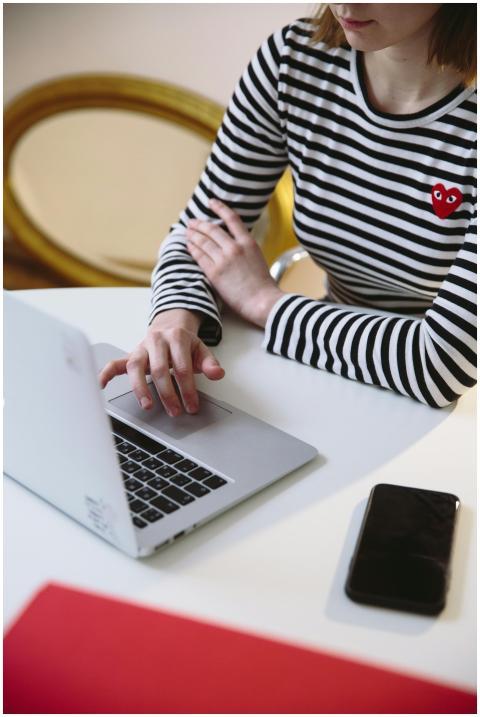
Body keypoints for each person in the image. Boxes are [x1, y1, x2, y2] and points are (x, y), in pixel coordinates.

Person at [100, 3, 476, 412]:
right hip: (334, 370)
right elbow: (199, 232)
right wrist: (174, 320)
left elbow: (441, 363)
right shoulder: (293, 60)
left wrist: (266, 303)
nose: (345, 3)